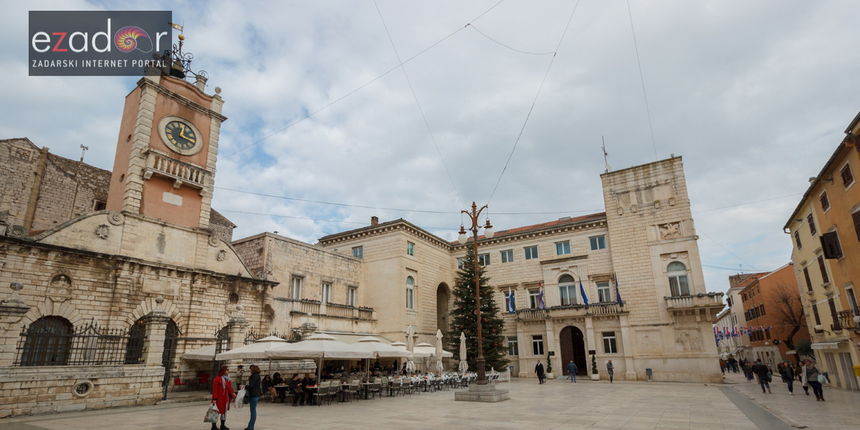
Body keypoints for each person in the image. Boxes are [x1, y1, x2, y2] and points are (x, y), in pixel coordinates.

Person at [211, 365, 236, 430]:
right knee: (215, 411)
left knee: (224, 412)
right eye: (227, 370)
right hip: (218, 398)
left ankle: (222, 425)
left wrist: (233, 394)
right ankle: (213, 426)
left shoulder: (228, 379)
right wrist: (214, 398)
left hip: (225, 398)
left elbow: (229, 388)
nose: (228, 371)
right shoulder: (217, 379)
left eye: (228, 370)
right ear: (223, 371)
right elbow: (215, 389)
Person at [244, 365, 261, 430]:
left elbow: (251, 385)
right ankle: (250, 426)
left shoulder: (255, 376)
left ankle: (250, 427)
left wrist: (245, 386)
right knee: (253, 410)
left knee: (253, 411)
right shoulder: (257, 376)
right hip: (256, 394)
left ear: (253, 369)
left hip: (254, 395)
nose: (250, 370)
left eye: (251, 369)